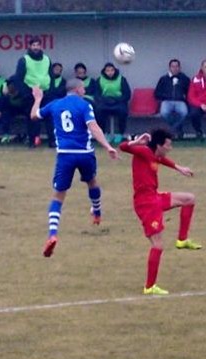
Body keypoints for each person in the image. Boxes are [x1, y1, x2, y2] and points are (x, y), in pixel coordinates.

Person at [29, 80, 118, 258]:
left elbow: (34, 116)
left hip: (65, 155)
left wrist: (38, 98)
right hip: (85, 153)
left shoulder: (55, 104)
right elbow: (93, 127)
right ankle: (97, 212)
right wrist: (107, 146)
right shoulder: (84, 105)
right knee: (92, 182)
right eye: (83, 88)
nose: (84, 90)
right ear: (77, 89)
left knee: (58, 195)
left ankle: (52, 234)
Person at [119, 129, 200, 296]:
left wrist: (179, 167)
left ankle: (182, 240)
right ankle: (149, 287)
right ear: (159, 145)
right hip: (146, 204)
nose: (170, 148)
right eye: (168, 145)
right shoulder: (143, 150)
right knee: (158, 245)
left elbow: (161, 159)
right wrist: (136, 142)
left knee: (189, 199)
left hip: (154, 198)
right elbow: (122, 147)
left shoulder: (155, 154)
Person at [12, 37, 52, 148]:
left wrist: (50, 90)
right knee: (32, 118)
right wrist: (26, 93)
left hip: (46, 93)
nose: (36, 47)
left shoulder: (47, 59)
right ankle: (32, 141)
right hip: (30, 94)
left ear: (41, 46)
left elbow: (51, 76)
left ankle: (52, 141)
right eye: (33, 45)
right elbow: (18, 78)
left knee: (49, 117)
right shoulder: (24, 60)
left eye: (37, 45)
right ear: (29, 46)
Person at [94, 63, 132, 144]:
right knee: (98, 111)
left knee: (123, 111)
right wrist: (104, 100)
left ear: (115, 70)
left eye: (112, 70)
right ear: (104, 71)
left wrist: (117, 100)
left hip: (118, 102)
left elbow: (127, 94)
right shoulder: (99, 80)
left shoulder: (122, 79)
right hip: (104, 102)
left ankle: (120, 134)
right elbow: (96, 95)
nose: (110, 72)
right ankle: (104, 134)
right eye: (107, 70)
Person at [154, 59, 191, 136]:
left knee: (184, 113)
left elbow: (189, 92)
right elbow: (157, 93)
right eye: (173, 66)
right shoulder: (163, 79)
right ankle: (177, 128)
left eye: (177, 66)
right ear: (169, 68)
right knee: (164, 113)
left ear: (180, 68)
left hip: (180, 101)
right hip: (166, 101)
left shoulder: (185, 79)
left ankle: (172, 130)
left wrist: (184, 98)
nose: (175, 68)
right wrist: (166, 96)